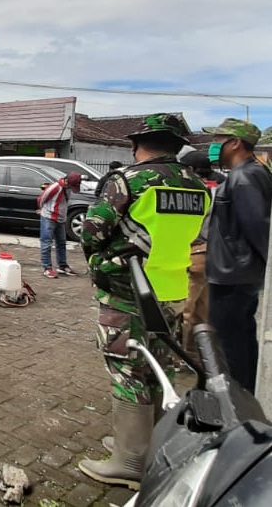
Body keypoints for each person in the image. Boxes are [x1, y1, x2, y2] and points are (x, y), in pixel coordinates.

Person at [78, 114, 209, 489]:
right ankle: (145, 446)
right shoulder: (197, 185)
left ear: (138, 144)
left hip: (127, 291)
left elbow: (92, 231)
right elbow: (197, 234)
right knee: (159, 368)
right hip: (171, 291)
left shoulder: (128, 181)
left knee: (127, 368)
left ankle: (129, 463)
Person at [203, 117, 272, 394]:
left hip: (234, 276)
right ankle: (243, 395)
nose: (213, 146)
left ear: (235, 143)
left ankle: (238, 402)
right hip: (234, 272)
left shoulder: (245, 177)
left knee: (232, 346)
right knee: (239, 341)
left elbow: (260, 228)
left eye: (218, 141)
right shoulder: (248, 173)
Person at [177, 150, 220, 358]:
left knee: (185, 310)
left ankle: (181, 355)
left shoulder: (191, 191)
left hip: (194, 252)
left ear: (191, 170)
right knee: (203, 311)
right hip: (213, 254)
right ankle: (201, 354)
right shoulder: (218, 189)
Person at [38, 172, 82, 278]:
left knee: (61, 243)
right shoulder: (55, 187)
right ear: (67, 181)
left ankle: (62, 266)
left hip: (60, 219)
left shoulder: (67, 188)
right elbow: (41, 199)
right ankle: (47, 268)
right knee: (46, 243)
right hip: (49, 217)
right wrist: (41, 210)